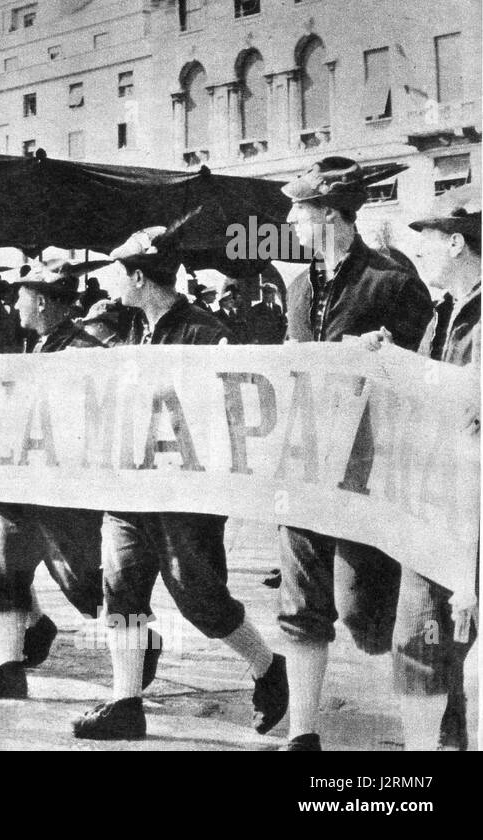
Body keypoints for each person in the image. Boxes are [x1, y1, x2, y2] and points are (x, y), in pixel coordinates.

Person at [71, 222, 288, 741]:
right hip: (130, 490)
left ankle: (266, 666)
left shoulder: (204, 331)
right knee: (121, 591)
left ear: (140, 277)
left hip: (184, 495)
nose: (116, 285)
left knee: (200, 597)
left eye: (122, 274)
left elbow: (228, 409)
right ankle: (126, 701)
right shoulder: (132, 332)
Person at [275, 157, 435, 751]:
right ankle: (303, 732)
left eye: (301, 212)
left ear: (333, 216)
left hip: (368, 471)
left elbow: (428, 370)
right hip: (305, 464)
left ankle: (439, 712)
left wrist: (388, 354)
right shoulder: (297, 288)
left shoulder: (393, 280)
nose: (292, 224)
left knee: (365, 616)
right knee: (299, 601)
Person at [0, 262, 126, 700]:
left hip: (64, 496)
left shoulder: (83, 350)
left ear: (40, 300)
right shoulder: (40, 346)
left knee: (87, 586)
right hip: (24, 494)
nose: (15, 305)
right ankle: (9, 669)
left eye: (21, 297)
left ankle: (140, 644)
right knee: (2, 571)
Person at [378, 186, 479, 750]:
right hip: (434, 501)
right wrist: (389, 357)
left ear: (457, 243)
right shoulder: (441, 313)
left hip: (475, 510)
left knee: (466, 656)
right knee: (418, 643)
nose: (420, 256)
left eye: (428, 243)